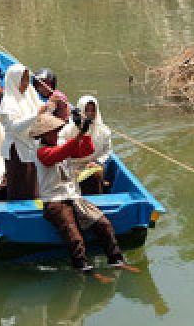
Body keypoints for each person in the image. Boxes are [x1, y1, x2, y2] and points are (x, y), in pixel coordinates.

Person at [29, 112, 137, 274]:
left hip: (74, 197)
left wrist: (84, 131)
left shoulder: (61, 144)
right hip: (55, 201)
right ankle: (84, 269)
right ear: (43, 135)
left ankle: (116, 260)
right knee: (75, 238)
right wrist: (78, 135)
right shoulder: (41, 152)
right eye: (53, 131)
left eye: (57, 130)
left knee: (104, 225)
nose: (56, 133)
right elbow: (60, 154)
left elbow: (86, 150)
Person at [0, 63, 47, 200]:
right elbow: (14, 127)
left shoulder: (29, 96)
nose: (26, 83)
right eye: (23, 79)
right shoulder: (8, 102)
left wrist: (52, 104)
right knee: (20, 186)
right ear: (14, 80)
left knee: (33, 185)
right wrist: (37, 114)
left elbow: (42, 109)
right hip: (16, 149)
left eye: (27, 79)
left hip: (31, 146)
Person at [76, 94, 112, 195]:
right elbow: (63, 151)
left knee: (96, 174)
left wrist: (98, 162)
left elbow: (107, 151)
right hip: (74, 166)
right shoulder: (69, 130)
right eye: (86, 110)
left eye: (93, 110)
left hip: (94, 165)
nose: (89, 113)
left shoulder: (104, 130)